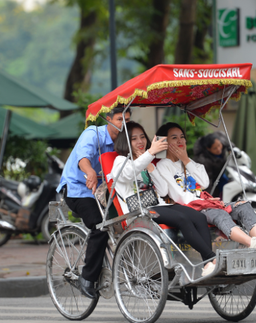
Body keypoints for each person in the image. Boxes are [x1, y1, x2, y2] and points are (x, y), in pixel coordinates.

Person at [111, 122, 217, 276]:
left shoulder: (147, 161)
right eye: (134, 139)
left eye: (142, 137)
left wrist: (151, 168)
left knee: (198, 217)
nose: (140, 141)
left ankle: (207, 266)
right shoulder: (121, 161)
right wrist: (149, 155)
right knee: (182, 218)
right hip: (138, 210)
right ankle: (211, 259)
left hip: (158, 205)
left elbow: (162, 190)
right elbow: (127, 173)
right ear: (125, 141)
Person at [154, 122, 256, 249]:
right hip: (193, 208)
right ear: (164, 142)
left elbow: (204, 183)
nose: (180, 140)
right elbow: (179, 196)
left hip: (206, 203)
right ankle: (251, 243)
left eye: (182, 136)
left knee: (244, 205)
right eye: (174, 138)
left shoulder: (188, 162)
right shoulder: (163, 165)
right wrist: (206, 202)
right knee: (219, 213)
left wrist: (186, 160)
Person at [57, 107, 131, 299]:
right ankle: (87, 278)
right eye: (119, 119)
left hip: (103, 191)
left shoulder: (123, 140)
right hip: (78, 189)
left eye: (127, 120)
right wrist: (90, 172)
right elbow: (83, 159)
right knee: (100, 226)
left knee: (128, 220)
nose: (124, 124)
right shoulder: (93, 134)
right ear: (108, 120)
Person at [194, 133, 230, 197]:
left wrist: (231, 149)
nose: (219, 149)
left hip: (221, 172)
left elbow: (229, 144)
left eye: (219, 145)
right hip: (212, 178)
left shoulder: (222, 139)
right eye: (215, 148)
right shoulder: (203, 160)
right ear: (208, 149)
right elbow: (208, 182)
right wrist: (209, 197)